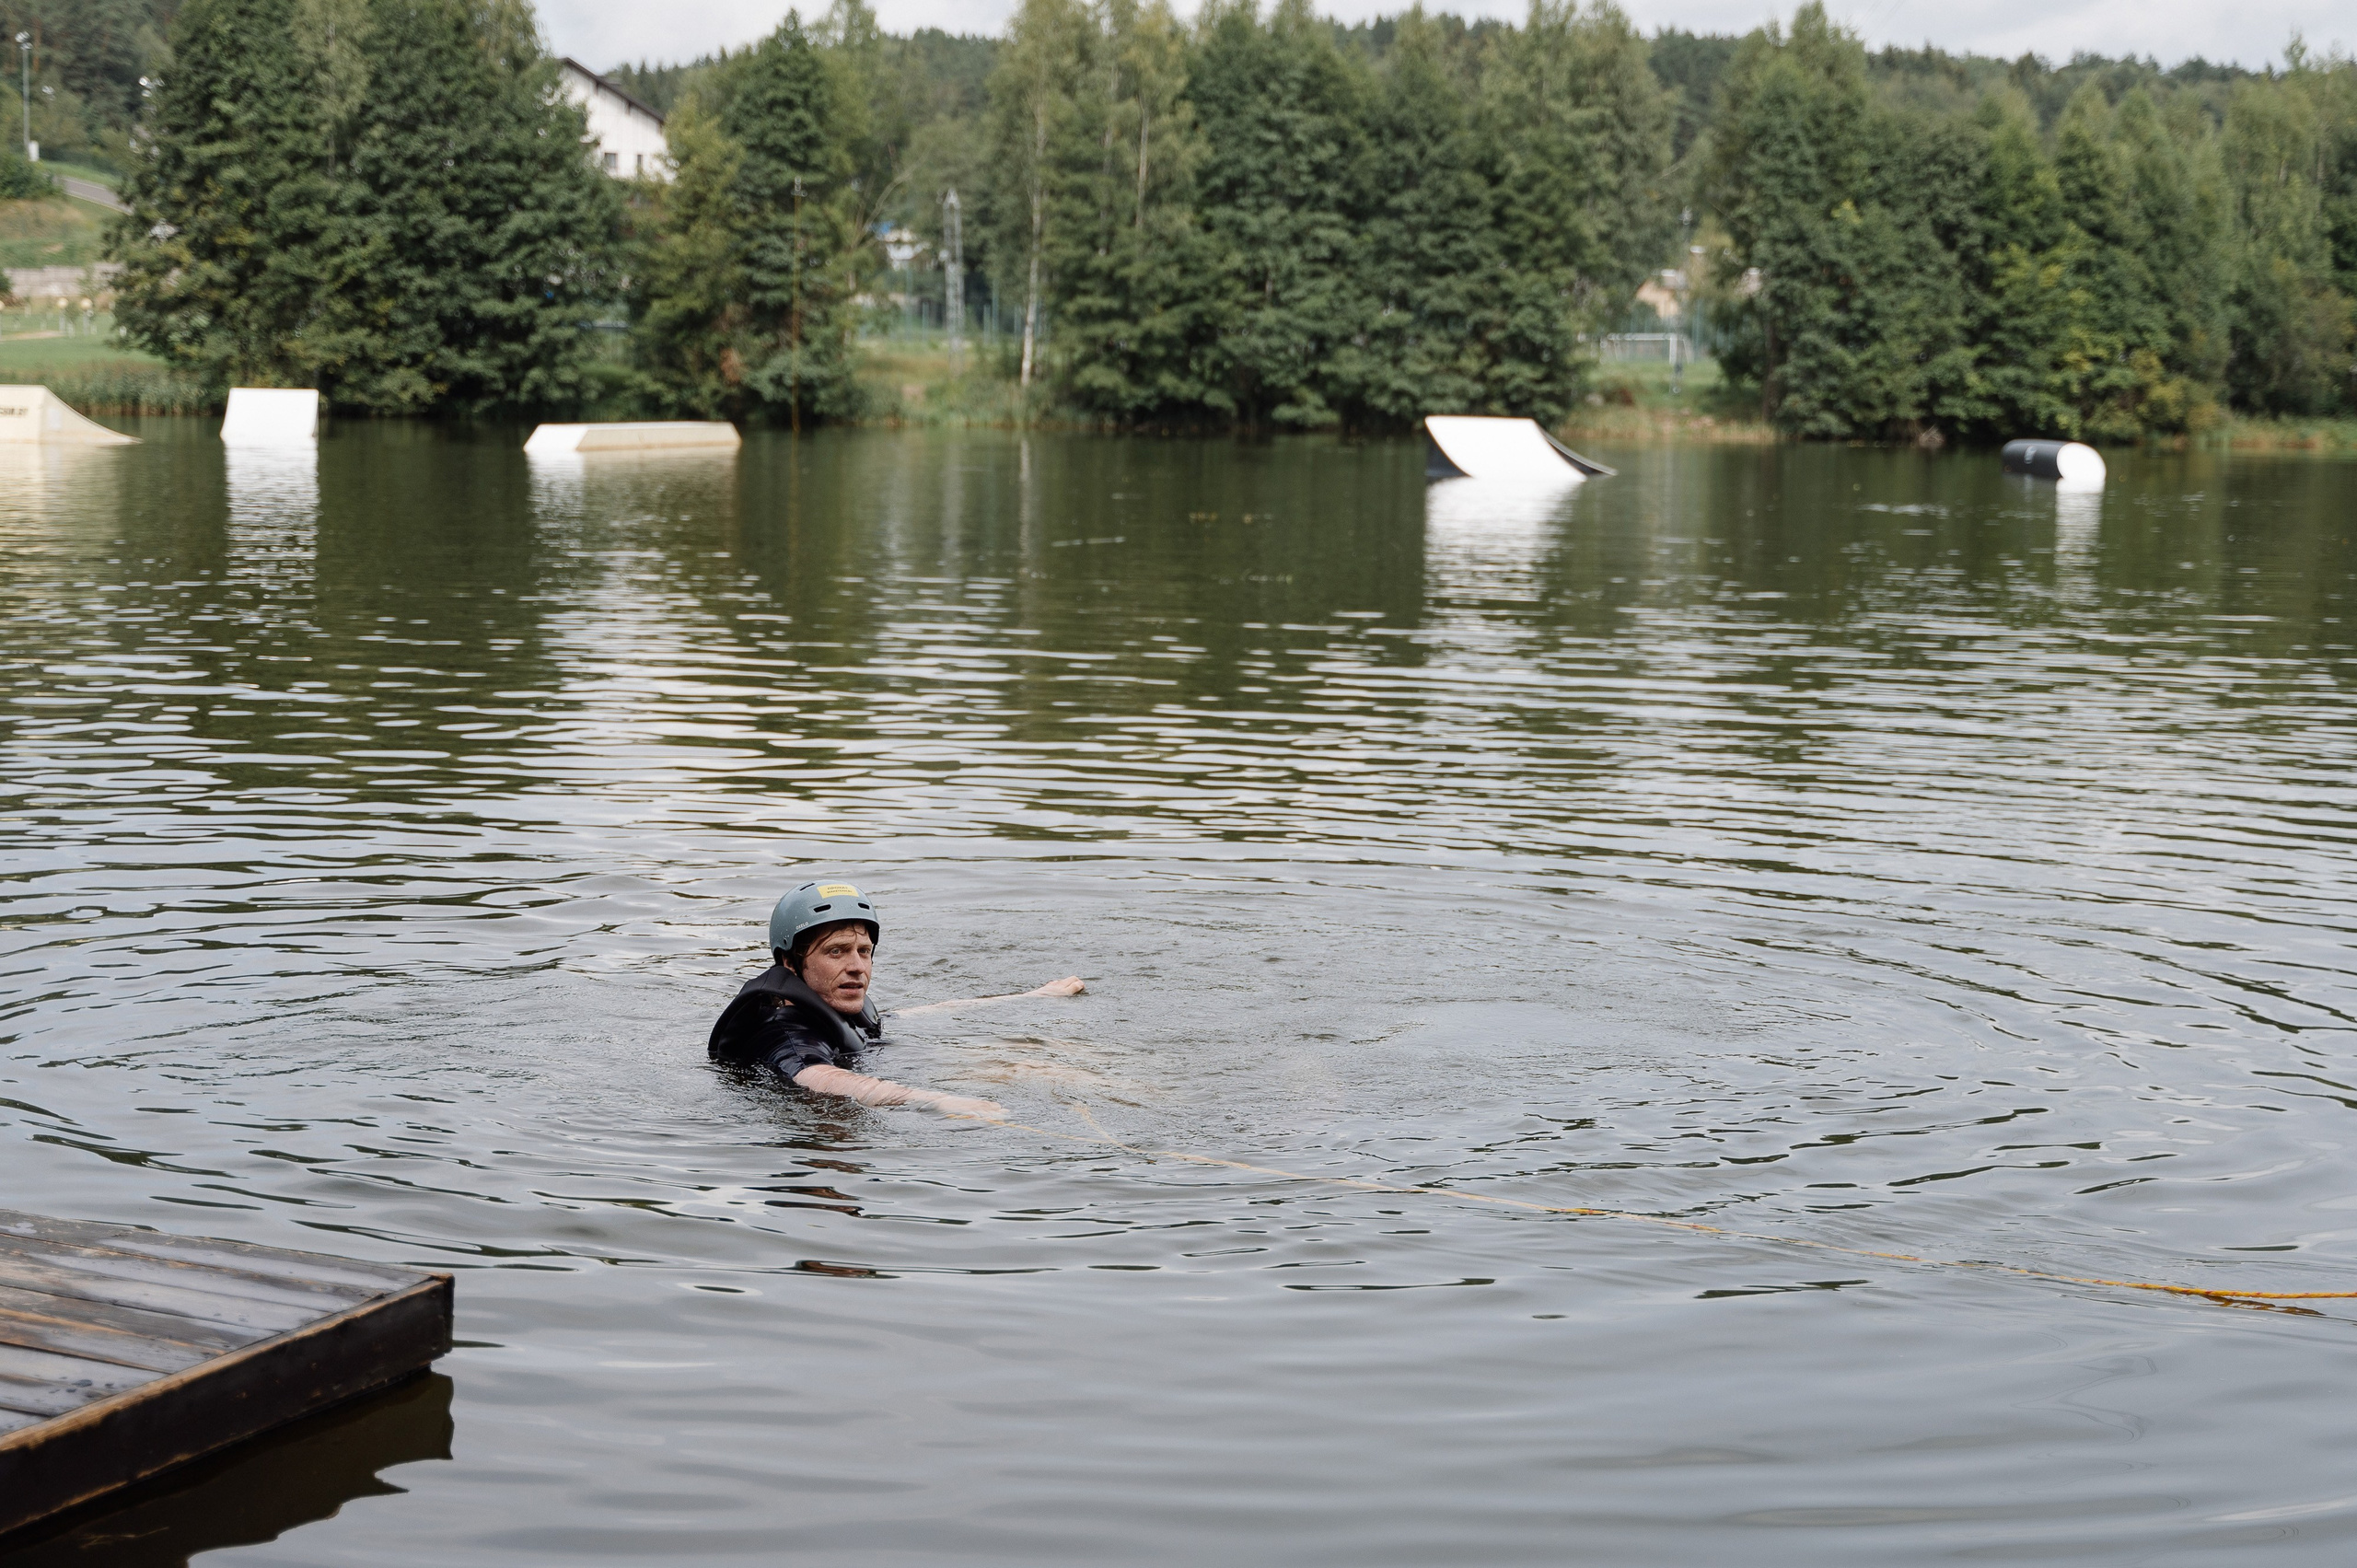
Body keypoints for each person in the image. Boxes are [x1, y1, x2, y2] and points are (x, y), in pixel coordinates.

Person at [709, 881, 1084, 1119]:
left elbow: (912, 1015)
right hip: (822, 1127)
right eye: (836, 952)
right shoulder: (784, 1034)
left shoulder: (833, 1003)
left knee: (1038, 1061)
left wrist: (1032, 997)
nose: (858, 967)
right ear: (789, 963)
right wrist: (937, 1101)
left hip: (894, 1062)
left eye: (864, 951)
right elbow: (819, 1076)